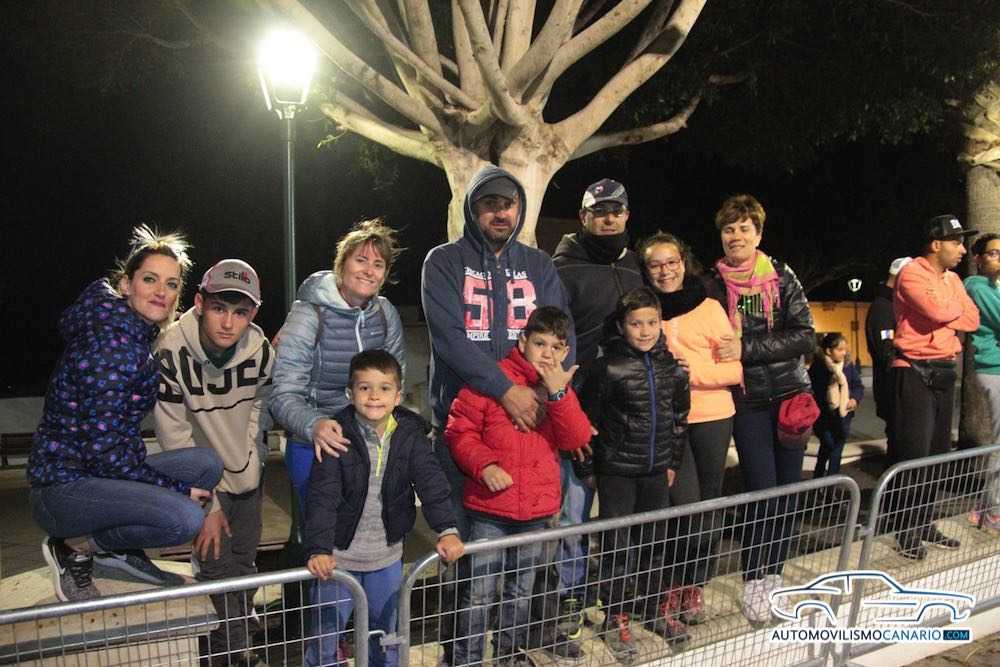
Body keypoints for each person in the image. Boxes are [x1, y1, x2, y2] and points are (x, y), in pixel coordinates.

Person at [421, 164, 572, 664]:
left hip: (530, 428)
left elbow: (560, 336)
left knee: (523, 565)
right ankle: (459, 655)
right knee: (465, 558)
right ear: (472, 209)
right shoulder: (444, 261)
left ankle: (509, 651)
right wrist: (506, 389)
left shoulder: (539, 265)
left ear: (520, 210)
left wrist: (544, 396)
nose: (500, 212)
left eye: (508, 204)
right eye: (489, 204)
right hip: (465, 428)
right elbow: (449, 339)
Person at [28, 225, 222, 602]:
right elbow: (106, 456)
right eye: (149, 279)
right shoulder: (111, 345)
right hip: (62, 488)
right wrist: (176, 490)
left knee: (206, 464)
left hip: (97, 474)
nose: (160, 291)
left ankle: (116, 551)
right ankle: (74, 547)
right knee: (185, 517)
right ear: (125, 284)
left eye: (170, 284)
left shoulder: (132, 335)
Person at [446, 307, 592, 666]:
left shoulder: (559, 389)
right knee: (479, 592)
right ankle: (467, 659)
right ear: (523, 341)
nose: (547, 354)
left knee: (521, 591)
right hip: (490, 509)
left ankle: (508, 655)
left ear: (566, 351)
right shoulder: (493, 378)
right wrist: (485, 466)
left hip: (536, 511)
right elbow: (460, 431)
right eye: (540, 343)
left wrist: (559, 395)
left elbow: (576, 438)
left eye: (556, 347)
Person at [304, 350, 464, 667]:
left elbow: (431, 483)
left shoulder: (411, 436)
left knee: (385, 638)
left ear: (398, 395)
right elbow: (322, 498)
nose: (374, 396)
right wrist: (319, 549)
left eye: (384, 388)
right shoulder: (336, 437)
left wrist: (447, 529)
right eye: (365, 388)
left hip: (386, 559)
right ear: (350, 394)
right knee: (325, 639)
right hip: (337, 562)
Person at [154, 259, 273, 667]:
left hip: (247, 480)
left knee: (244, 567)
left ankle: (236, 642)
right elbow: (173, 434)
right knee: (216, 573)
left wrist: (254, 455)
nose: (228, 322)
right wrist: (207, 504)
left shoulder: (260, 350)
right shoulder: (170, 350)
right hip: (203, 485)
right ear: (200, 302)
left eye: (240, 312)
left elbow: (260, 404)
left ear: (252, 313)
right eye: (219, 307)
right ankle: (236, 655)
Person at [706, 194, 815, 622]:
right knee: (760, 491)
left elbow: (804, 335)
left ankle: (775, 575)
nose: (736, 236)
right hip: (747, 400)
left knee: (787, 493)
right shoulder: (712, 284)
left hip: (789, 398)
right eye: (728, 229)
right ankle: (754, 577)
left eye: (744, 228)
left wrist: (746, 348)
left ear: (758, 233)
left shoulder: (781, 276)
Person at [550, 178, 644, 635]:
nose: (608, 219)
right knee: (573, 511)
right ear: (583, 217)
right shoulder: (560, 268)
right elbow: (550, 341)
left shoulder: (636, 265)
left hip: (625, 410)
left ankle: (613, 598)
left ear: (626, 216)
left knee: (619, 514)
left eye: (615, 211)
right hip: (579, 406)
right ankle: (570, 596)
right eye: (599, 211)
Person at [578, 288, 690, 659]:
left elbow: (679, 420)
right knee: (618, 547)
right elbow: (585, 423)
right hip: (617, 472)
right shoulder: (607, 368)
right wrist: (590, 468)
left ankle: (653, 607)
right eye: (636, 324)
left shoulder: (673, 368)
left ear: (661, 323)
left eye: (651, 323)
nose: (644, 331)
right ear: (622, 326)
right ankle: (616, 616)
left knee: (655, 544)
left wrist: (672, 463)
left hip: (655, 471)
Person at [640, 231, 742, 630]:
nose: (665, 271)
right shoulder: (645, 309)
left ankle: (693, 585)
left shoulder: (710, 306)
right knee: (681, 506)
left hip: (712, 417)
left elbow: (733, 369)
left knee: (708, 506)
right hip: (668, 423)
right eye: (655, 264)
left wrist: (690, 373)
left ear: (684, 263)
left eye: (671, 262)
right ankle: (670, 585)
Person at [270, 219, 406, 513]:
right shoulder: (308, 314)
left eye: (378, 264)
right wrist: (315, 425)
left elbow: (396, 384)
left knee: (370, 530)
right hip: (315, 444)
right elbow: (283, 395)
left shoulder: (386, 314)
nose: (369, 270)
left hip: (368, 442)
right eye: (361, 260)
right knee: (324, 532)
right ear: (341, 264)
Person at [888, 214, 980, 560]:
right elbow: (938, 311)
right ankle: (906, 530)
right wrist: (949, 308)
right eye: (956, 242)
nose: (962, 249)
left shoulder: (952, 278)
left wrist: (946, 308)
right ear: (936, 244)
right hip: (914, 370)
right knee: (915, 454)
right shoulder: (912, 272)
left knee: (938, 454)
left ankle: (924, 522)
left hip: (943, 369)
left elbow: (972, 319)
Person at [966, 233, 1000, 528]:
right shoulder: (976, 285)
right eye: (993, 253)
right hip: (993, 367)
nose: (999, 259)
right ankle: (992, 511)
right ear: (977, 259)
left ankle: (987, 504)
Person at [864, 256, 911, 460]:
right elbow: (886, 352)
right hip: (892, 387)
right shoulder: (883, 307)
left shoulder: (892, 304)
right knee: (898, 441)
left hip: (897, 386)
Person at [808, 333, 863, 478]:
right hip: (824, 417)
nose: (844, 353)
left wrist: (854, 399)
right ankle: (818, 479)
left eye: (845, 349)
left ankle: (832, 483)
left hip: (843, 415)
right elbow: (813, 392)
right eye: (839, 349)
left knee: (836, 450)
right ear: (828, 351)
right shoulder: (818, 367)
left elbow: (857, 385)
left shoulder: (848, 366)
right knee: (828, 445)